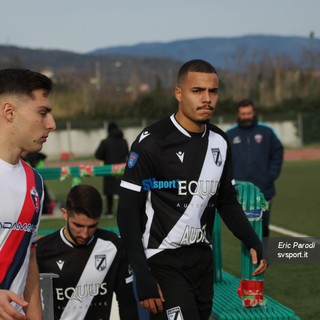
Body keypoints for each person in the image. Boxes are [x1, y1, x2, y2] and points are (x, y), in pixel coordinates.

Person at [117, 59, 267, 320]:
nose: (207, 98)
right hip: (162, 260)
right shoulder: (151, 142)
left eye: (213, 91)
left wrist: (252, 239)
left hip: (202, 261)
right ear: (179, 94)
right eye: (197, 91)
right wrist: (142, 273)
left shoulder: (220, 141)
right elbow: (127, 213)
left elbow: (227, 201)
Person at [36, 184, 139, 320]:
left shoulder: (114, 247)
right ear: (65, 214)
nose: (84, 234)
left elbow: (127, 303)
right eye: (78, 225)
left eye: (92, 226)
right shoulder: (41, 251)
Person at [0, 68, 56, 319]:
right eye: (42, 113)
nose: (51, 125)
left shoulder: (35, 181)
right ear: (9, 112)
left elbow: (29, 258)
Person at [226, 99, 284, 237]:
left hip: (264, 188)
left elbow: (278, 152)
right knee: (244, 229)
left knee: (263, 226)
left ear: (253, 112)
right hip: (240, 191)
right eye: (243, 114)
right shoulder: (230, 135)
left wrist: (270, 175)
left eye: (249, 113)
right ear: (238, 114)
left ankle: (264, 258)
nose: (246, 116)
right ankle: (250, 258)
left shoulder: (267, 132)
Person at [95, 122, 129, 217]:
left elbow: (98, 155)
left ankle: (109, 211)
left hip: (108, 169)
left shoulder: (106, 141)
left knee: (109, 192)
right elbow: (128, 153)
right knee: (121, 191)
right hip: (121, 170)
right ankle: (122, 210)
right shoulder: (123, 141)